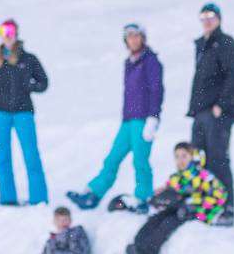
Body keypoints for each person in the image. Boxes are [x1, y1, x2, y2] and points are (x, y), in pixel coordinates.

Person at [67, 23, 163, 212]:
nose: (133, 40)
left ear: (142, 38)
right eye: (129, 36)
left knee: (140, 161)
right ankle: (93, 194)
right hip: (128, 120)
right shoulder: (130, 62)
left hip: (144, 119)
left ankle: (143, 199)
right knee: (112, 158)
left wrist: (154, 117)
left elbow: (156, 89)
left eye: (136, 36)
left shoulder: (150, 61)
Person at [0, 18, 49, 205]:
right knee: (3, 157)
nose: (7, 36)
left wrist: (29, 85)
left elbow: (43, 83)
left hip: (23, 112)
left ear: (16, 33)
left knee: (31, 154)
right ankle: (7, 198)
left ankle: (38, 198)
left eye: (10, 31)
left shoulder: (29, 60)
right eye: (4, 32)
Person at [186, 2, 234, 223]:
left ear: (219, 18)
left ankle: (226, 207)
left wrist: (222, 104)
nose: (207, 20)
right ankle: (204, 204)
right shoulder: (202, 44)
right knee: (198, 159)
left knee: (218, 159)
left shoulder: (225, 43)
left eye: (211, 16)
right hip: (200, 110)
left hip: (218, 112)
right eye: (203, 16)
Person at [125, 142, 229, 254]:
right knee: (154, 220)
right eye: (177, 156)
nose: (180, 160)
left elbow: (220, 193)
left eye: (184, 156)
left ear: (193, 156)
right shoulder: (176, 177)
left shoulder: (202, 175)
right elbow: (169, 191)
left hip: (192, 211)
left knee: (166, 225)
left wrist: (199, 210)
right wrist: (159, 197)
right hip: (175, 208)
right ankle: (138, 245)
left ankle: (149, 251)